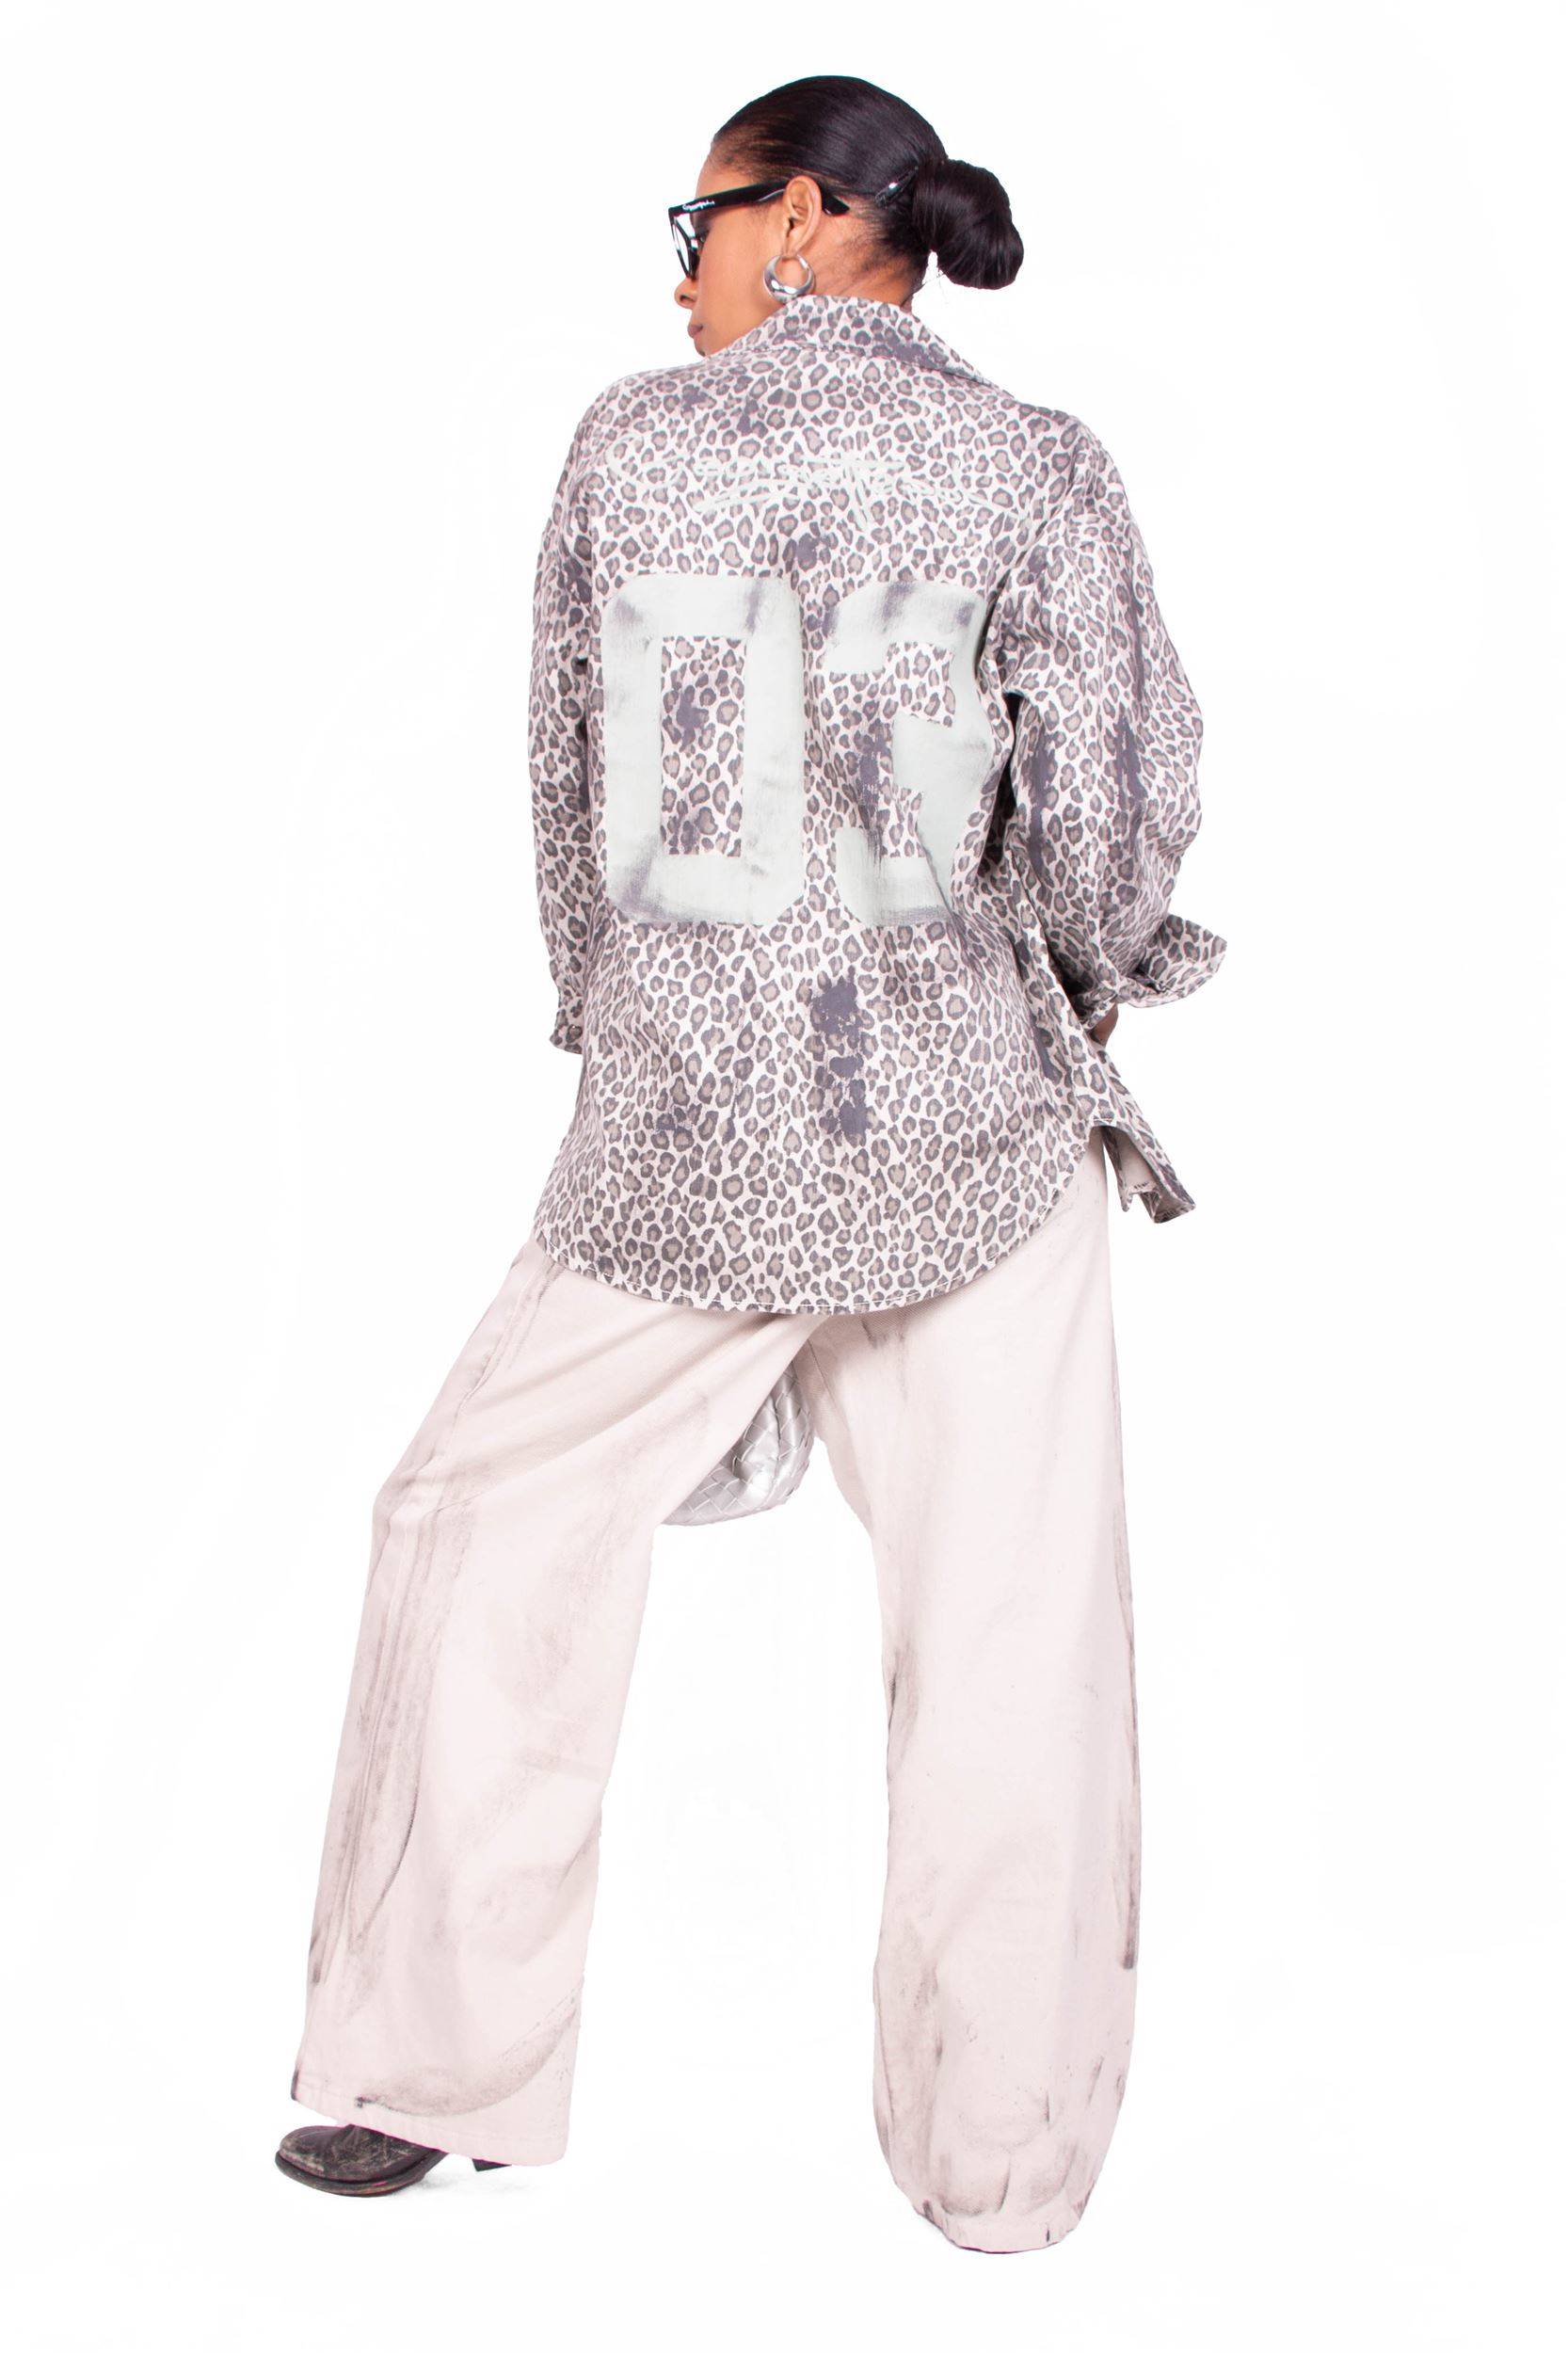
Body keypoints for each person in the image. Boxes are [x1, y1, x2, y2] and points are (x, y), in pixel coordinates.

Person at [275, 72, 1226, 2255]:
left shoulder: (627, 445)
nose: (679, 271)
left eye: (692, 223)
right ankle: (1000, 2166)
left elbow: (565, 775)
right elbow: (1112, 802)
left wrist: (613, 1015)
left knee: (475, 1533)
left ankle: (418, 2076)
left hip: (685, 1136)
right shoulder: (1038, 464)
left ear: (798, 218)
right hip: (973, 1128)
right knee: (1007, 1635)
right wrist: (1077, 984)